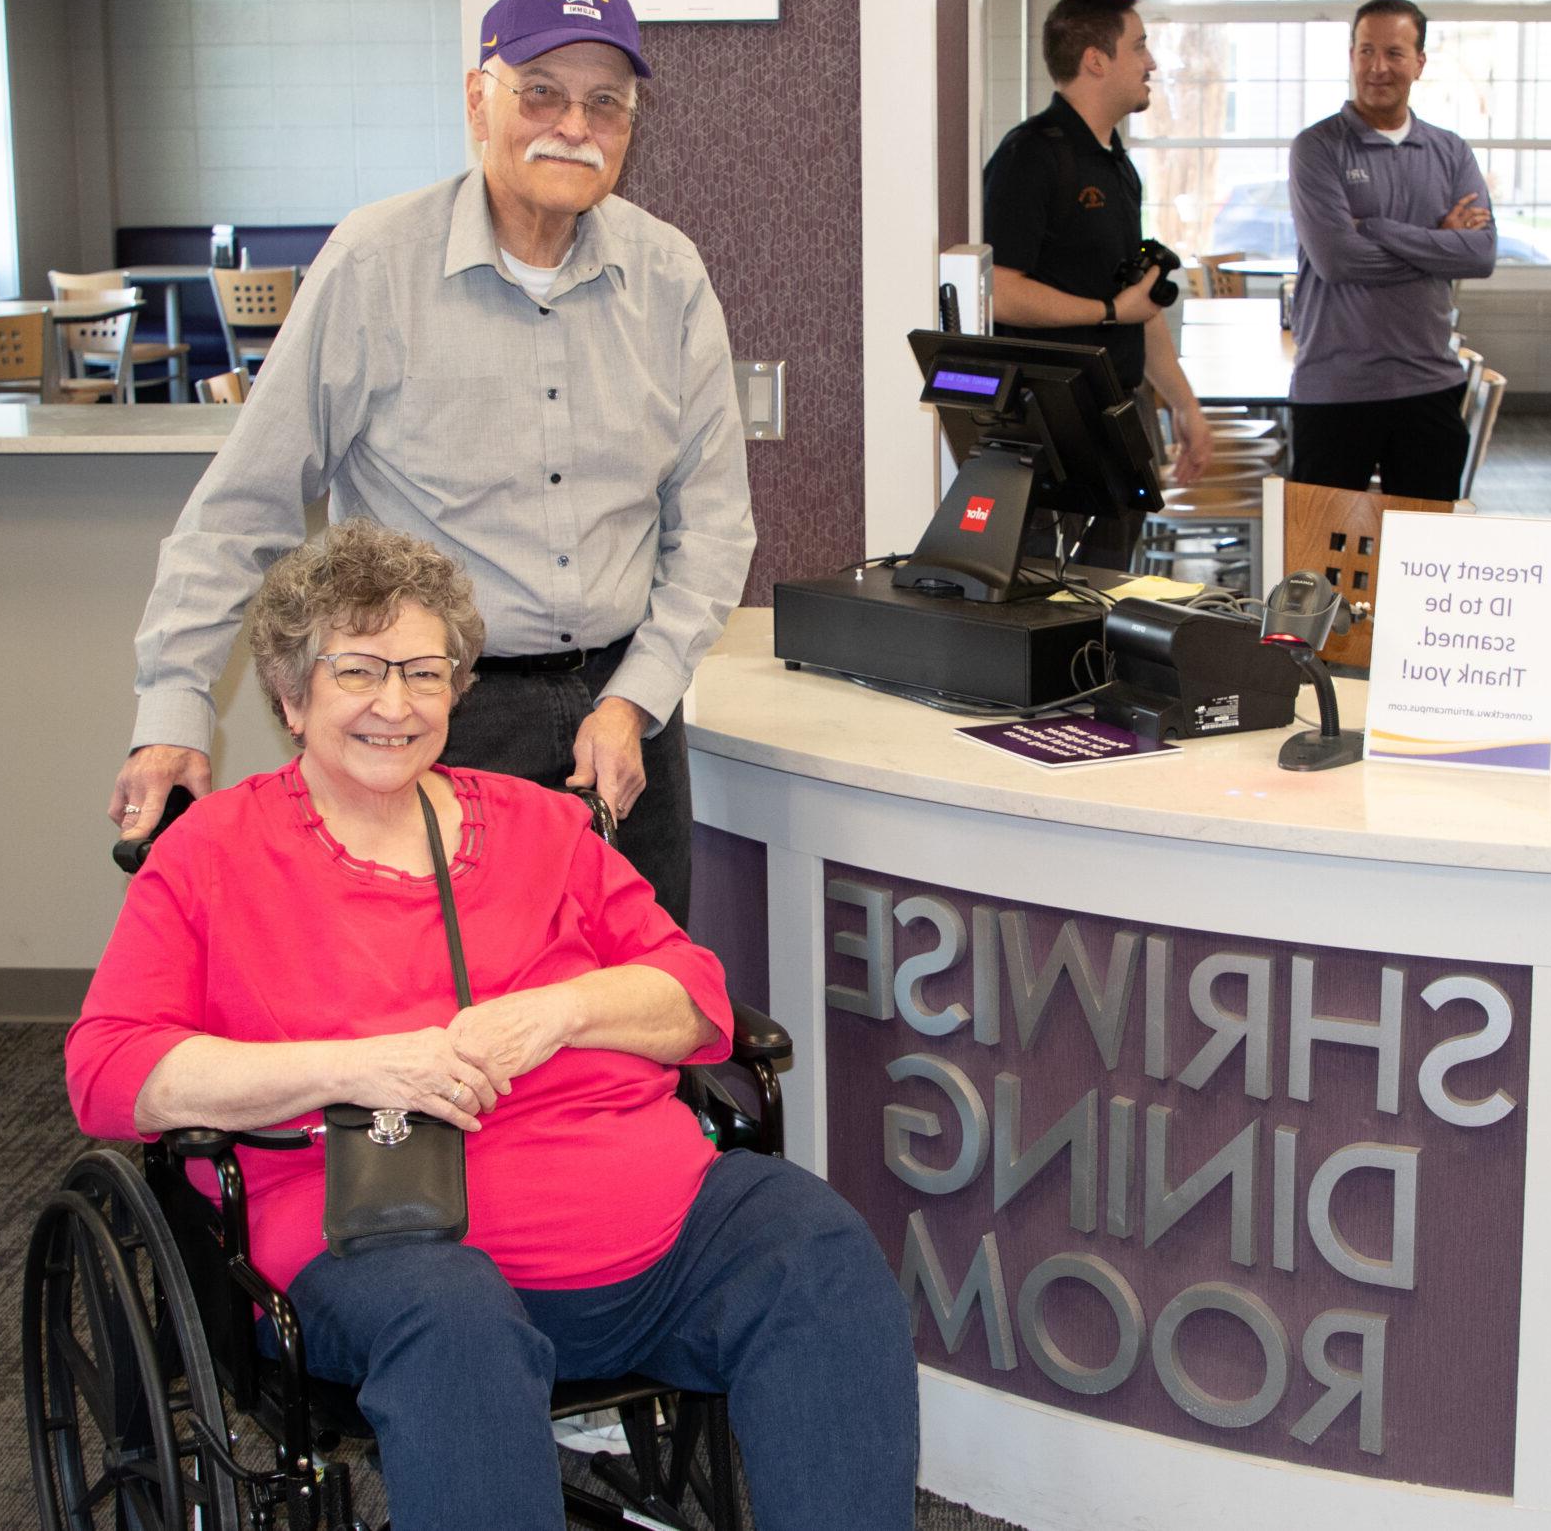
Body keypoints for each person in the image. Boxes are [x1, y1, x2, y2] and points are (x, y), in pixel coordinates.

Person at [67, 521, 918, 1531]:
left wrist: (557, 1012)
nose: (396, 702)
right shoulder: (215, 851)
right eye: (359, 670)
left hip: (650, 1222)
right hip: (379, 1236)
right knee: (457, 1326)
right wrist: (363, 1066)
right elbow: (111, 1067)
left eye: (425, 672)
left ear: (458, 690)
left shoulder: (542, 826)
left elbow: (694, 1001)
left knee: (814, 1245)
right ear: (291, 699)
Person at [109, 0, 753, 926]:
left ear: (628, 129)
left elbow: (712, 526)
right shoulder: (374, 266)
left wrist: (639, 697)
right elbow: (241, 508)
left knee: (630, 1018)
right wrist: (172, 712)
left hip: (628, 722)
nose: (571, 123)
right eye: (540, 90)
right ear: (476, 100)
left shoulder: (670, 274)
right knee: (434, 1037)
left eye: (604, 104)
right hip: (430, 715)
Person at [982, 0, 1211, 563]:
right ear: (1095, 60)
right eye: (1140, 46)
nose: (1152, 62)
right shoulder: (1030, 155)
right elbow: (999, 291)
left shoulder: (1116, 164)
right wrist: (1108, 313)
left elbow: (1138, 304)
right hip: (1056, 423)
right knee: (1055, 594)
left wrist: (1184, 404)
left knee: (1109, 593)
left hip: (1120, 413)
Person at [1284, 0, 1496, 502]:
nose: (1378, 68)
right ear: (1352, 56)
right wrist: (1439, 240)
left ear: (1419, 63)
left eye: (1395, 54)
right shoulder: (1317, 148)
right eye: (1365, 52)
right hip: (1334, 391)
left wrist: (1376, 228)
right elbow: (1337, 260)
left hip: (1429, 387)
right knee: (1318, 569)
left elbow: (1480, 255)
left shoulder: (1450, 151)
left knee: (1423, 566)